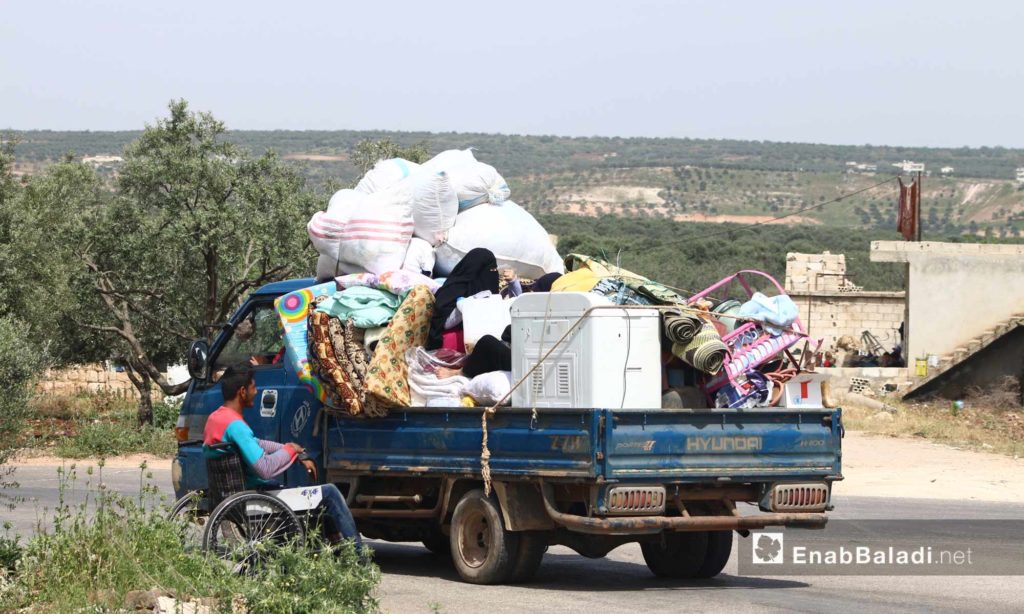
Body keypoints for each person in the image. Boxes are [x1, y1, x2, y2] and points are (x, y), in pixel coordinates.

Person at [203, 363, 363, 552]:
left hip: (232, 497)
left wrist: (294, 450)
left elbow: (257, 443)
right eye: (254, 387)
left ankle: (334, 550)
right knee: (330, 493)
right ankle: (360, 556)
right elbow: (264, 468)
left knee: (316, 499)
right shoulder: (236, 425)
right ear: (242, 391)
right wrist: (289, 451)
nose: (257, 392)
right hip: (252, 500)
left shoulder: (216, 419)